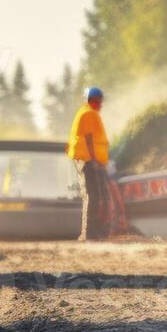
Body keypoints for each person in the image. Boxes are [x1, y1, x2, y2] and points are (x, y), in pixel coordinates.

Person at [69, 87, 114, 242]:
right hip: (89, 161)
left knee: (95, 196)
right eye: (97, 101)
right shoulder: (88, 113)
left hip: (91, 160)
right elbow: (88, 138)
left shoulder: (88, 112)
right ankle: (91, 232)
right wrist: (94, 160)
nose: (100, 104)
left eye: (100, 101)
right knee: (94, 197)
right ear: (91, 101)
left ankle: (94, 231)